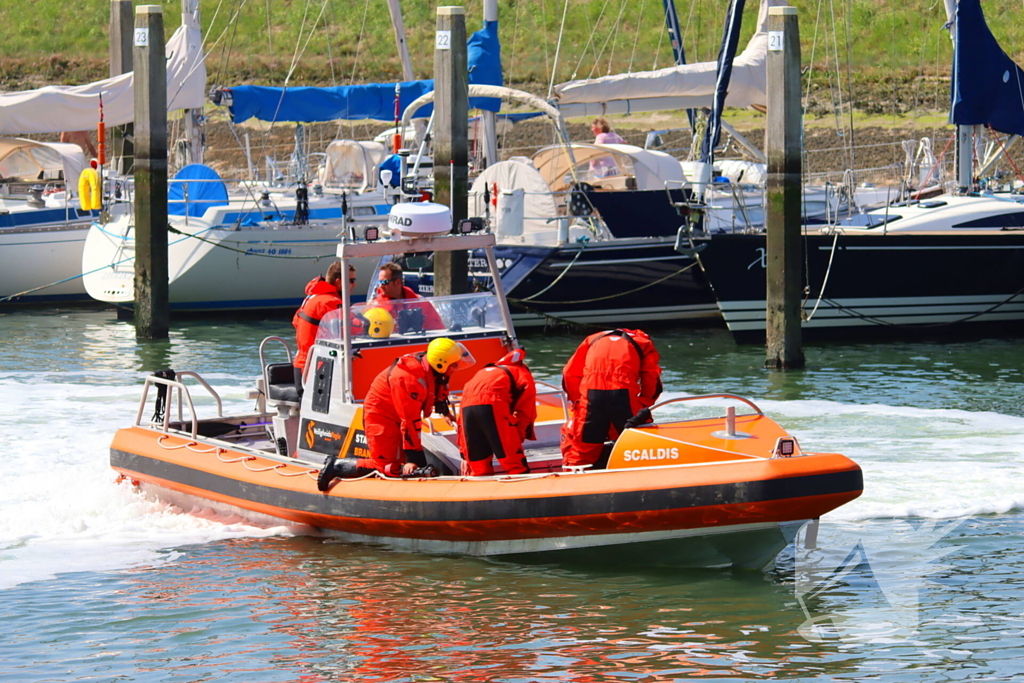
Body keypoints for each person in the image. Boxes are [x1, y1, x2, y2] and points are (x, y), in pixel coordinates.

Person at [362, 337, 476, 476]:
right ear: (441, 364)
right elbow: (410, 421)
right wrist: (414, 459)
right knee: (386, 466)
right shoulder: (408, 378)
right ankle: (338, 466)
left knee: (401, 463)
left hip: (401, 412)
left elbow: (438, 385)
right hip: (381, 414)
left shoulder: (434, 365)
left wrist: (444, 411)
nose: (455, 368)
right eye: (454, 365)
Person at [560, 328, 663, 470]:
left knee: (583, 448)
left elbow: (569, 373)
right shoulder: (643, 342)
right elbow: (651, 376)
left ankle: (573, 480)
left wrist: (579, 402)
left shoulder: (592, 339)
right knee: (637, 446)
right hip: (624, 395)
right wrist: (645, 402)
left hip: (592, 396)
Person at [457, 348, 537, 476]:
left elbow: (461, 420)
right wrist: (518, 438)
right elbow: (526, 412)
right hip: (493, 407)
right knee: (515, 464)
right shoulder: (522, 373)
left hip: (467, 412)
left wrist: (464, 454)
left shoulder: (481, 373)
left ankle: (480, 492)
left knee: (478, 466)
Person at [292, 262, 357, 378]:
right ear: (339, 282)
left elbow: (295, 322)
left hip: (301, 364)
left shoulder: (312, 298)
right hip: (316, 368)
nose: (354, 285)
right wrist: (365, 323)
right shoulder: (330, 303)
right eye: (351, 281)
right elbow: (353, 329)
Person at [370, 262, 444, 333]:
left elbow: (437, 328)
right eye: (379, 282)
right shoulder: (375, 306)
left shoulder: (420, 302)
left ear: (398, 282)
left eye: (384, 282)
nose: (381, 286)